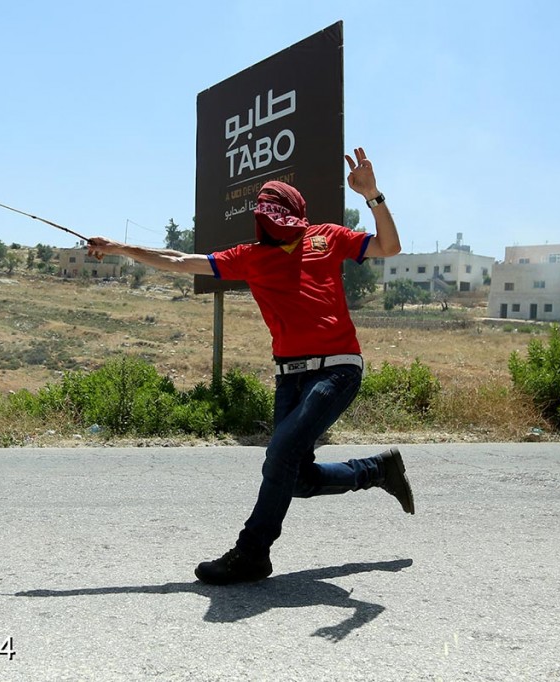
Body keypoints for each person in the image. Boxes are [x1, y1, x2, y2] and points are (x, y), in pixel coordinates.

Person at [87, 147, 414, 585]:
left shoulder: (327, 237)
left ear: (295, 215)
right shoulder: (252, 256)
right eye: (266, 217)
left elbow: (389, 246)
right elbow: (182, 261)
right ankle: (376, 470)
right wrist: (118, 247)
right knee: (295, 478)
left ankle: (252, 553)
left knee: (279, 455)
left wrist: (373, 196)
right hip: (289, 376)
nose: (273, 224)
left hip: (337, 368)